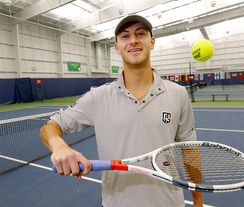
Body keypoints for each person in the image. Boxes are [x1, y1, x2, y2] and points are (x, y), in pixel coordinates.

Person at [40, 14, 203, 207]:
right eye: (125, 36)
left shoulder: (178, 94)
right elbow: (50, 126)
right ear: (117, 47)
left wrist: (198, 201)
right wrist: (59, 146)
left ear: (152, 42)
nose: (133, 40)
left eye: (140, 34)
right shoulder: (97, 97)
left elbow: (190, 152)